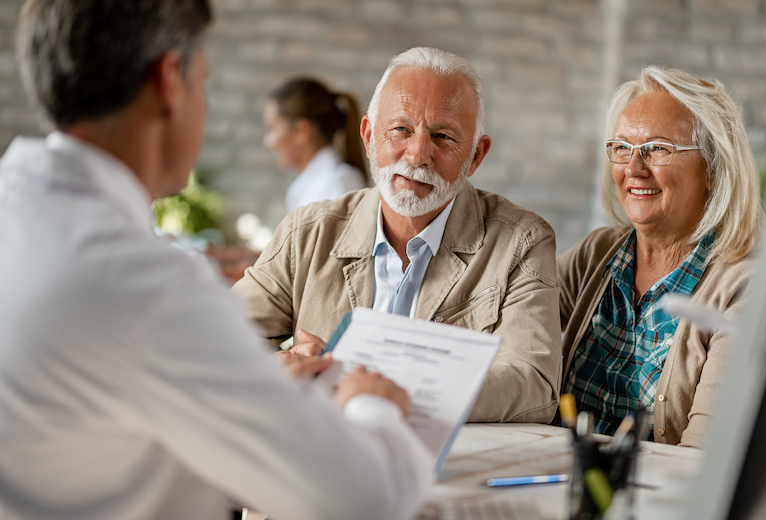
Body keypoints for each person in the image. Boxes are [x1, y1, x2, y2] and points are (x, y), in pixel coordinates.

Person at [0, 2, 433, 520]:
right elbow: (369, 497)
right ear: (168, 82)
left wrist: (255, 389)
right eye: (202, 81)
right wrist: (370, 401)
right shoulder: (148, 287)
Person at [233, 47, 562, 424]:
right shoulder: (305, 232)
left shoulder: (522, 243)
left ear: (475, 156)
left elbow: (534, 384)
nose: (418, 154)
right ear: (369, 136)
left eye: (442, 137)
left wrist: (379, 389)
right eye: (400, 129)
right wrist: (279, 366)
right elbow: (218, 340)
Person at [558, 66, 762, 447]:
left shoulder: (744, 288)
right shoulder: (595, 254)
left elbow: (703, 458)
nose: (634, 169)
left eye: (657, 149)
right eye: (622, 148)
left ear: (713, 169)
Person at [263, 77, 369, 211]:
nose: (268, 142)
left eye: (272, 128)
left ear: (301, 131)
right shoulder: (311, 185)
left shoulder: (338, 184)